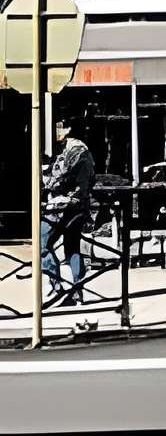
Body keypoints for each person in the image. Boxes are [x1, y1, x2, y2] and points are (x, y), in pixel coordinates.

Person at [39, 107, 96, 302]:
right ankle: (76, 289)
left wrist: (50, 183)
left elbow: (65, 178)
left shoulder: (76, 150)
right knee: (71, 248)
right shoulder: (53, 149)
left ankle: (59, 287)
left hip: (64, 205)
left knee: (43, 246)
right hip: (71, 204)